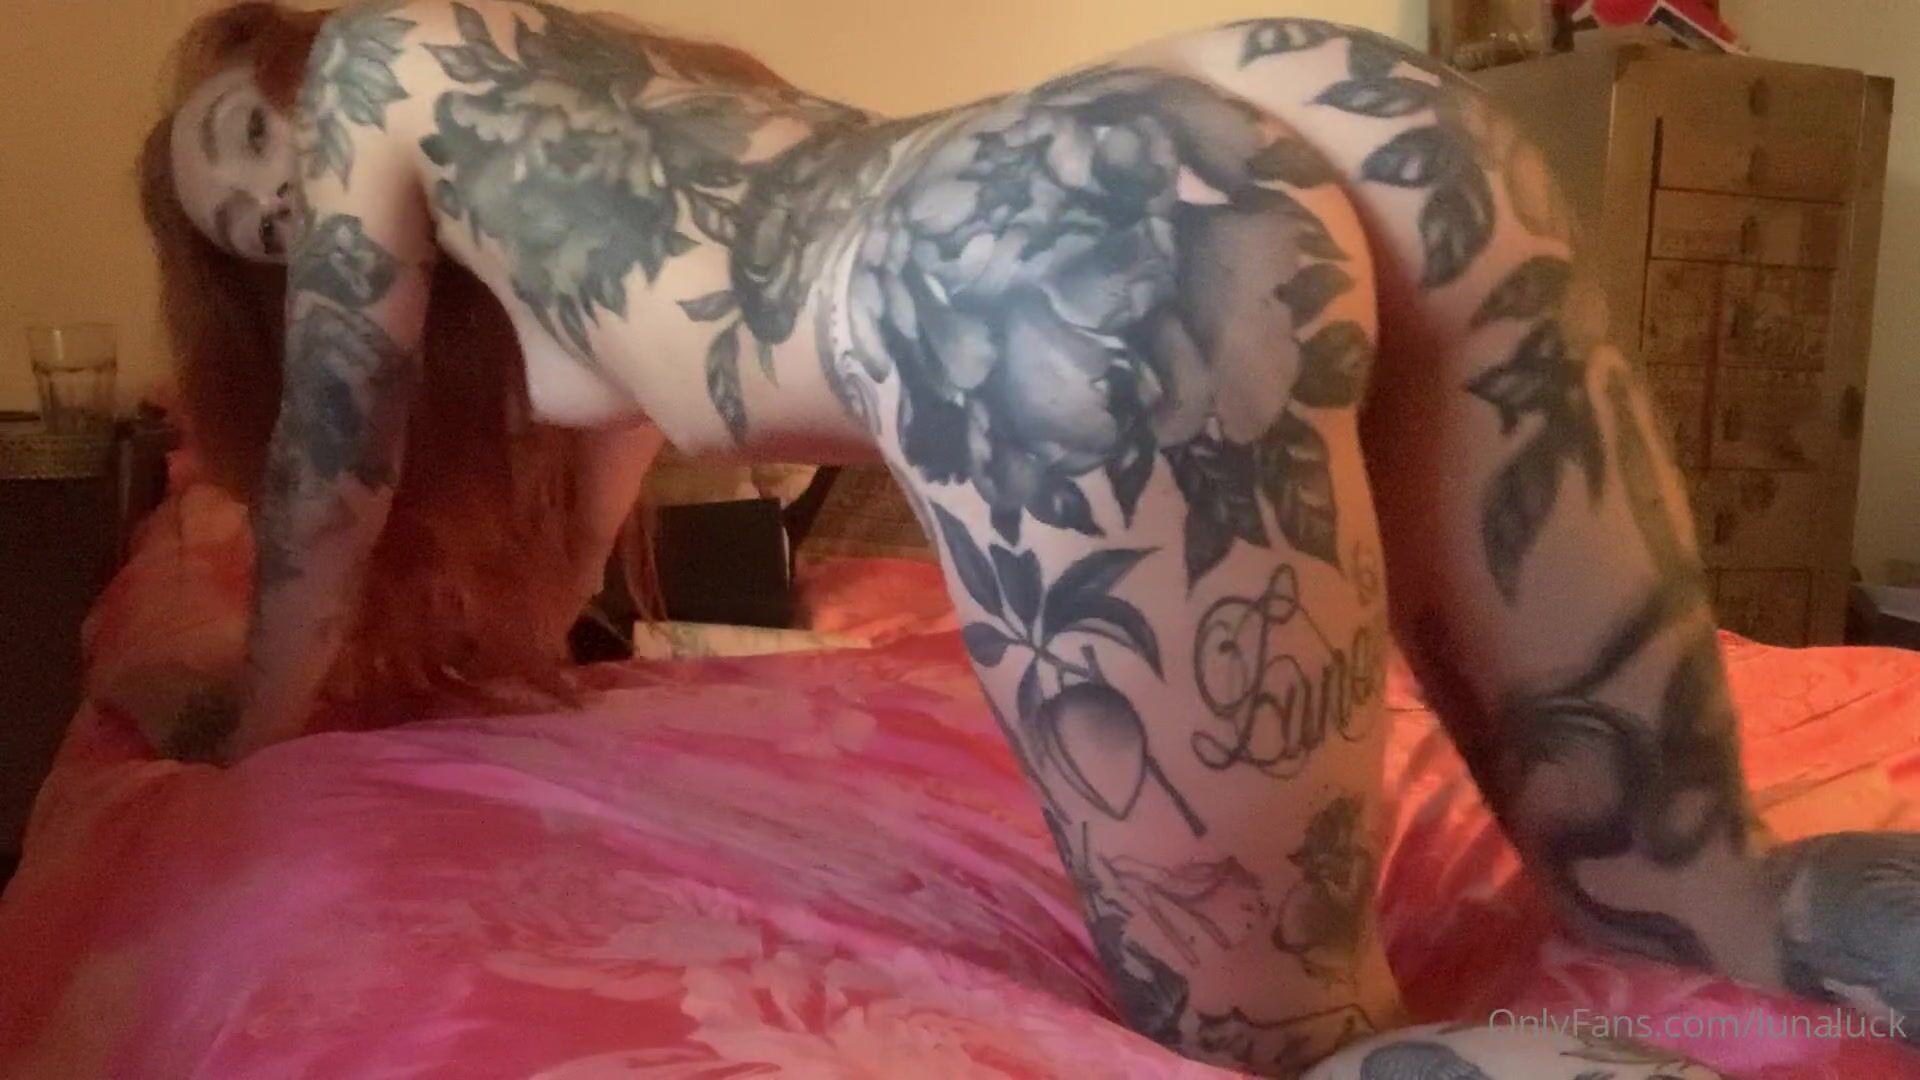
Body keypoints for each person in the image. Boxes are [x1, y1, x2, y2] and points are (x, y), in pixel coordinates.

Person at [159, 2, 1920, 1075]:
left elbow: (334, 461)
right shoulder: (585, 146)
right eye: (253, 229)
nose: (282, 208)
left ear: (288, 55)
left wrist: (252, 727)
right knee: (1698, 892)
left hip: (1039, 242)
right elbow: (590, 505)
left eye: (243, 143)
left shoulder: (384, 56)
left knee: (1289, 1047)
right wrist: (535, 653)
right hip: (1303, 108)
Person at [134, 1, 670, 747]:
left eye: (254, 131)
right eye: (263, 228)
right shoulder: (378, 349)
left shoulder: (565, 165)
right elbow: (328, 553)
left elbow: (582, 544)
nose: (274, 195)